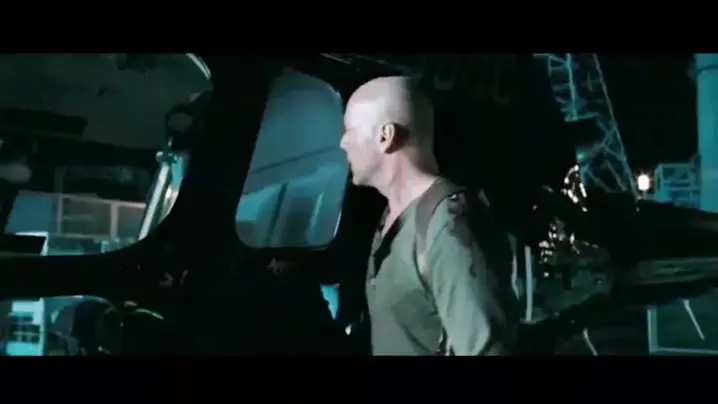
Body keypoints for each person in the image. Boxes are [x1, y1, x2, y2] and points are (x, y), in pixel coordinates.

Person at [340, 76, 518, 355]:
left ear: (385, 136)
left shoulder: (448, 224)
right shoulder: (395, 218)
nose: (343, 143)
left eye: (350, 130)